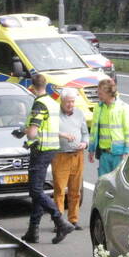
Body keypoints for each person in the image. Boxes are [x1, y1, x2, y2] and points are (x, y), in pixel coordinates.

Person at [18, 73, 74, 245]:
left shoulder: (39, 104)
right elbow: (48, 127)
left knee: (35, 191)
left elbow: (34, 132)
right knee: (38, 190)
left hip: (40, 150)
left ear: (32, 87)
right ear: (46, 85)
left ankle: (60, 221)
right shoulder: (52, 102)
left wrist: (25, 133)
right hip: (51, 148)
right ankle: (32, 231)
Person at [53, 87, 88, 231]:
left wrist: (85, 143)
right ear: (62, 101)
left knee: (75, 190)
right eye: (68, 102)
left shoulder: (79, 114)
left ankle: (73, 220)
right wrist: (63, 135)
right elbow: (49, 131)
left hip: (77, 155)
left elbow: (86, 133)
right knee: (60, 190)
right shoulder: (55, 115)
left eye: (72, 102)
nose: (70, 105)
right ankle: (59, 221)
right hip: (61, 155)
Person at [88, 78, 129, 177]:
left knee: (117, 185)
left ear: (109, 93)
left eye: (100, 93)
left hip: (119, 154)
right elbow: (94, 130)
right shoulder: (98, 107)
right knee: (103, 183)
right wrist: (91, 149)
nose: (98, 95)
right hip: (104, 154)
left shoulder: (123, 108)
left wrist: (127, 151)